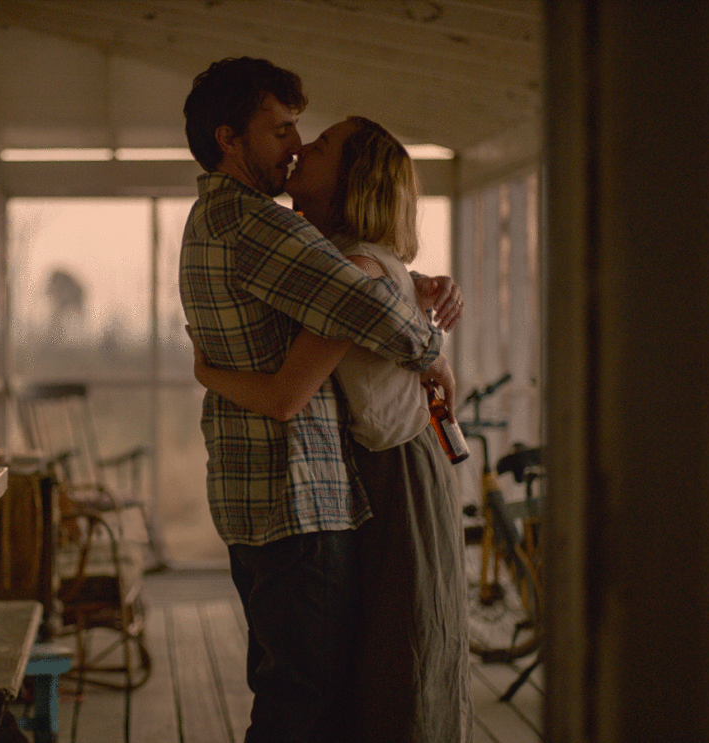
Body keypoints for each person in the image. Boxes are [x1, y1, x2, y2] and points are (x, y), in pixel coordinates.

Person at [179, 57, 462, 743]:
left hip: (264, 501)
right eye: (281, 131)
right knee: (306, 703)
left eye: (306, 135)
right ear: (229, 139)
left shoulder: (217, 220)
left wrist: (411, 280)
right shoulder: (258, 225)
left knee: (300, 692)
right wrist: (436, 354)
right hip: (299, 498)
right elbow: (365, 301)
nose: (296, 144)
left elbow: (355, 274)